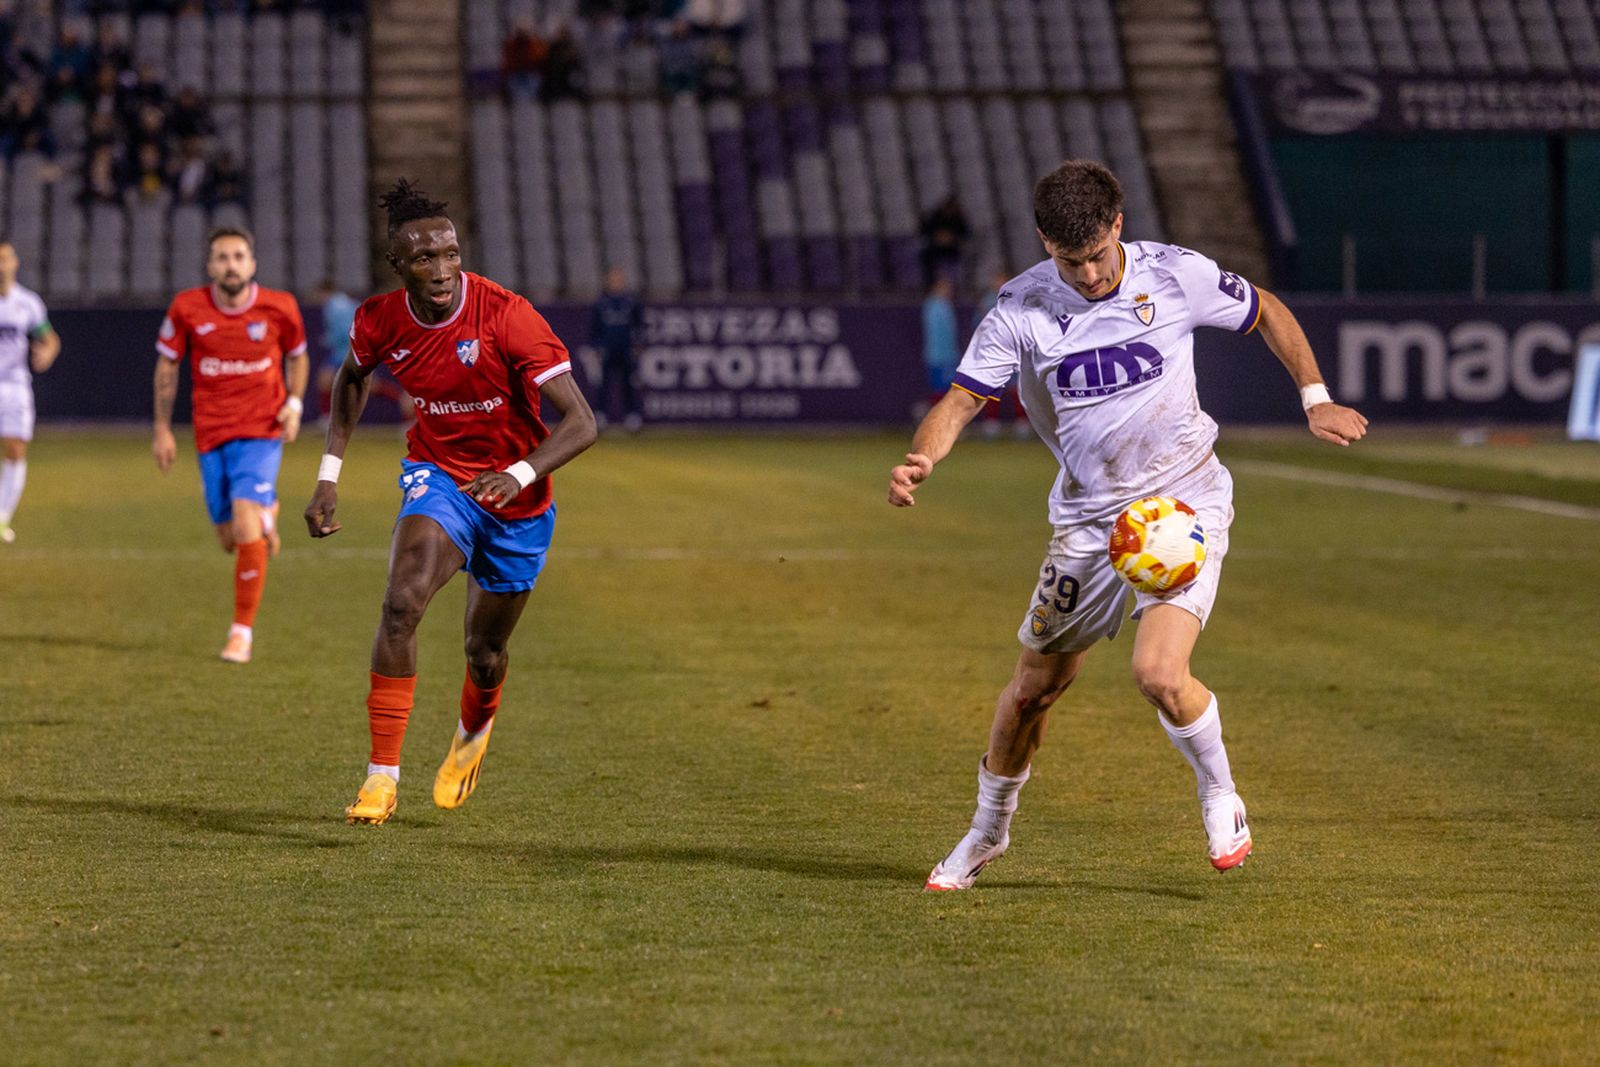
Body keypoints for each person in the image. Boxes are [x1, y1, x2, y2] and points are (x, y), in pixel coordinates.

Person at [887, 160, 1368, 890]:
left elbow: (1265, 307)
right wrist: (922, 458)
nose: (1086, 274)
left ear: (1119, 226)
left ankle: (1219, 793)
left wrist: (1316, 396)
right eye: (1067, 260)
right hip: (1087, 522)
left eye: (1097, 256)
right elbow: (960, 400)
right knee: (1030, 692)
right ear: (1046, 244)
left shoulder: (1173, 275)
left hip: (1183, 501)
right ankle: (987, 831)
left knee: (1157, 672)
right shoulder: (1020, 308)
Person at [304, 179, 597, 826]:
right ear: (398, 266)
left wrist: (519, 473)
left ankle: (473, 729)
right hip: (439, 477)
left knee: (483, 651)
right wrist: (330, 473)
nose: (442, 270)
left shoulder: (506, 313)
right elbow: (354, 376)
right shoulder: (377, 320)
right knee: (402, 599)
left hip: (518, 498)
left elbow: (582, 421)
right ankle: (381, 778)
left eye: (451, 254)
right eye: (425, 258)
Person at [152, 227, 309, 664]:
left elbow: (298, 355)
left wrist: (294, 404)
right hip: (211, 434)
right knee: (229, 538)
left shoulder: (280, 307)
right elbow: (167, 365)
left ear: (252, 263)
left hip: (261, 430)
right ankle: (267, 512)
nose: (231, 265)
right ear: (210, 266)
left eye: (239, 256)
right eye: (222, 257)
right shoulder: (187, 307)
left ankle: (241, 632)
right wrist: (163, 429)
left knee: (243, 528)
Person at [0, 238, 62, 544]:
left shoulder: (27, 303)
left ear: (15, 263)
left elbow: (49, 338)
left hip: (14, 386)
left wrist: (47, 352)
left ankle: (2, 516)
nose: (2, 265)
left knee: (15, 448)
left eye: (6, 258)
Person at [973, 269, 1029, 439]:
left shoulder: (1016, 300)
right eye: (997, 280)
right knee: (991, 388)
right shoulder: (988, 301)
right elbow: (979, 325)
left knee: (1016, 389)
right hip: (993, 352)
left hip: (1013, 351)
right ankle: (991, 423)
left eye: (1002, 279)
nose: (999, 284)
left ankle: (1022, 423)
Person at [589, 265, 643, 432]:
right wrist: (597, 347)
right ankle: (600, 416)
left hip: (626, 349)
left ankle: (632, 416)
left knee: (628, 383)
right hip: (608, 350)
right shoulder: (601, 303)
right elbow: (594, 328)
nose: (616, 283)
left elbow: (639, 326)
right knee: (604, 384)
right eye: (613, 279)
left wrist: (638, 345)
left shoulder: (631, 303)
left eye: (619, 279)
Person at [311, 277, 359, 420]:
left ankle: (328, 417)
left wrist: (327, 340)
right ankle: (328, 417)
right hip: (351, 350)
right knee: (326, 381)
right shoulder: (349, 303)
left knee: (326, 381)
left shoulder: (332, 306)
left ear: (323, 292)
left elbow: (343, 332)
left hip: (344, 351)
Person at [920, 276, 957, 415]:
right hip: (937, 356)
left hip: (948, 355)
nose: (948, 291)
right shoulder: (933, 307)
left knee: (949, 389)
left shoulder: (946, 306)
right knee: (939, 389)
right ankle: (938, 418)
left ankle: (946, 419)